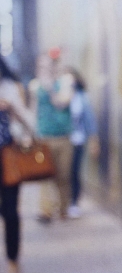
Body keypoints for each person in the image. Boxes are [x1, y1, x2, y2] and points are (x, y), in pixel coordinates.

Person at [0, 55, 35, 273]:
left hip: (8, 157)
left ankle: (13, 260)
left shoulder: (10, 88)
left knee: (11, 212)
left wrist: (11, 107)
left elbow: (29, 121)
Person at [30, 52, 74, 222]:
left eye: (47, 66)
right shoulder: (35, 86)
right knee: (44, 175)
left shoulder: (65, 82)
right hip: (44, 137)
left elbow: (62, 103)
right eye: (41, 67)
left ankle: (63, 209)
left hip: (63, 136)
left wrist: (50, 89)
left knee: (63, 176)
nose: (44, 69)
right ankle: (46, 210)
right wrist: (31, 133)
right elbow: (33, 111)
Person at [66, 68, 97, 218]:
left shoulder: (82, 97)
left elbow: (89, 119)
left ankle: (74, 202)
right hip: (63, 139)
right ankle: (63, 201)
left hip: (78, 140)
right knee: (63, 172)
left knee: (75, 171)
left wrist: (93, 139)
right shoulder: (59, 96)